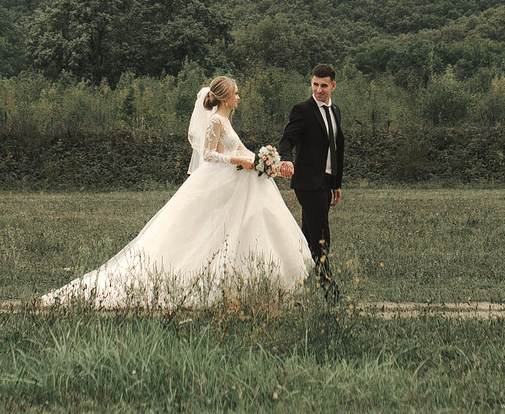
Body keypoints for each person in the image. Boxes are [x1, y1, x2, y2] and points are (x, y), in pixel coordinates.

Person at [43, 75, 311, 306]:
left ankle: (249, 281)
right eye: (236, 93)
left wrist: (262, 162)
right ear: (225, 97)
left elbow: (239, 149)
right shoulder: (216, 121)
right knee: (211, 230)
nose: (239, 97)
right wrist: (238, 161)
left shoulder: (226, 122)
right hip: (220, 179)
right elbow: (208, 154)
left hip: (238, 178)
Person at [269, 64, 346, 279]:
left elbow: (337, 148)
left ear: (333, 86)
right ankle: (328, 287)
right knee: (321, 234)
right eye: (315, 84)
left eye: (323, 85)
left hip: (326, 181)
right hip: (308, 182)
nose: (318, 90)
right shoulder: (302, 109)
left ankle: (296, 276)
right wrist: (286, 160)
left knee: (308, 233)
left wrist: (336, 183)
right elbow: (287, 140)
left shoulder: (335, 110)